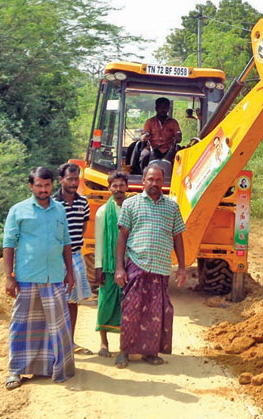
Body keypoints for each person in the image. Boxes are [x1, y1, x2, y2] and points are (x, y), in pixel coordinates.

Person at [2, 167, 75, 390]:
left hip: (53, 277)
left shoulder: (59, 210)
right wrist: (9, 277)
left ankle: (57, 367)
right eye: (39, 186)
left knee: (56, 326)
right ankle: (15, 371)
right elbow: (8, 244)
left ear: (52, 185)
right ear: (31, 186)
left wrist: (70, 273)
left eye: (47, 185)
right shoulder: (18, 211)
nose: (43, 190)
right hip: (26, 277)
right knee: (22, 326)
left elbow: (65, 242)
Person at [114, 162, 187, 368]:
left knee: (157, 313)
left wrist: (182, 267)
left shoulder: (172, 206)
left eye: (158, 180)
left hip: (161, 267)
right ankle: (125, 352)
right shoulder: (131, 204)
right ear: (143, 181)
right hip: (137, 264)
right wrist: (120, 267)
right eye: (150, 179)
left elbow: (178, 238)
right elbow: (122, 237)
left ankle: (150, 352)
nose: (154, 183)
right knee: (131, 310)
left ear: (164, 182)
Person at [55, 162, 92, 354]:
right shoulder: (53, 204)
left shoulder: (83, 202)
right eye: (69, 179)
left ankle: (70, 342)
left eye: (76, 179)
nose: (73, 183)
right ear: (60, 180)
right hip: (56, 259)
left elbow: (83, 228)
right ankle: (55, 344)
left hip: (76, 256)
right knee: (55, 302)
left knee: (73, 302)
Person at [93, 170, 129, 357]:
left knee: (128, 306)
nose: (118, 189)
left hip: (129, 264)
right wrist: (98, 267)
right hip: (108, 266)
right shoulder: (102, 212)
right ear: (109, 188)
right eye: (114, 185)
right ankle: (104, 343)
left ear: (127, 187)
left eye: (121, 185)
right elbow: (99, 241)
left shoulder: (132, 208)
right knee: (105, 302)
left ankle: (126, 344)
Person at [139, 97, 182, 172]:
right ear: (156, 108)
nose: (163, 110)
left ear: (168, 108)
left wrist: (177, 138)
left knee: (180, 158)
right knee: (144, 156)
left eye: (165, 107)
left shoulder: (173, 122)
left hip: (169, 149)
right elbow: (144, 135)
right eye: (161, 107)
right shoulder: (150, 122)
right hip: (152, 148)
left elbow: (178, 135)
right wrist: (145, 137)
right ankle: (144, 174)